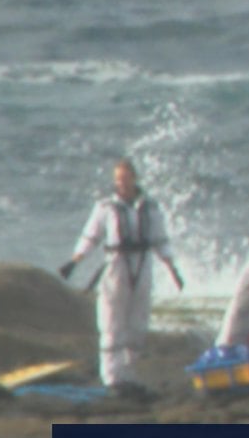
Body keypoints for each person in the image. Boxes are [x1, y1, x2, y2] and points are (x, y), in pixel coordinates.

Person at [59, 158, 182, 399]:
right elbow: (91, 237)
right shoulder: (105, 208)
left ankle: (129, 374)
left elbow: (160, 240)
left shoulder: (150, 207)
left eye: (125, 179)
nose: (122, 185)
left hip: (142, 265)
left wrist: (172, 269)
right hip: (115, 267)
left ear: (135, 179)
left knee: (138, 323)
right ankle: (112, 377)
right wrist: (75, 261)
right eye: (118, 180)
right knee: (112, 323)